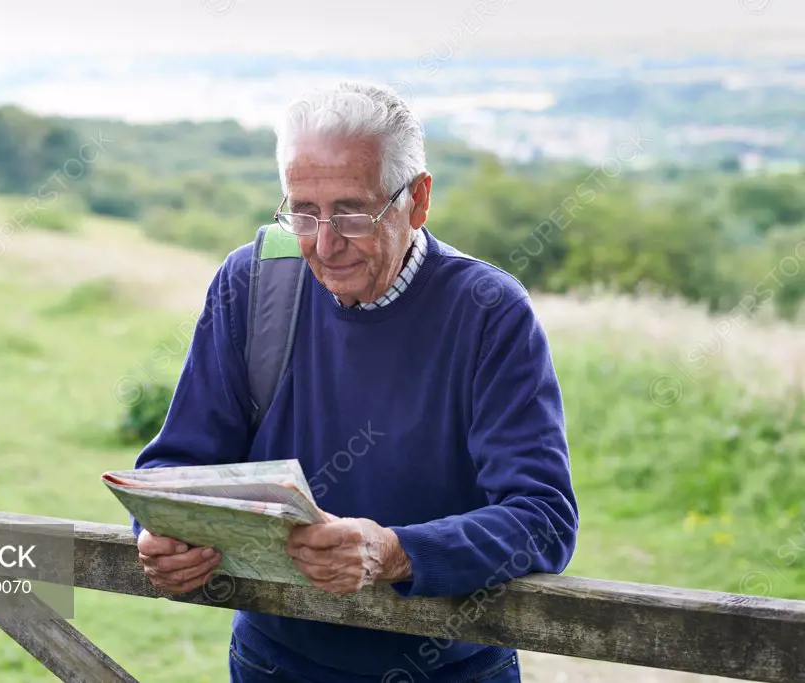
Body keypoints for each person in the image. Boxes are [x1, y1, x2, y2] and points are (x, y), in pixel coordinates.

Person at [131, 81, 579, 683]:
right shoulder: (252, 282)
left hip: (450, 670)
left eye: (351, 211)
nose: (324, 241)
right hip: (275, 663)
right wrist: (161, 535)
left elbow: (542, 518)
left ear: (417, 201)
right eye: (302, 211)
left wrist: (395, 552)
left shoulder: (488, 311)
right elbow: (176, 466)